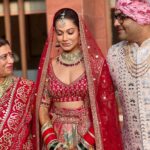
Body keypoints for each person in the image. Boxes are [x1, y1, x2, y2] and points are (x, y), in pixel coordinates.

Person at [35, 8, 123, 150]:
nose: (65, 38)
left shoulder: (95, 66)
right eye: (60, 33)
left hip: (88, 137)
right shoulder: (50, 67)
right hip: (56, 138)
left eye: (70, 32)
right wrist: (51, 141)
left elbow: (105, 109)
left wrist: (84, 144)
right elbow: (43, 106)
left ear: (80, 31)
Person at [107, 0, 150, 150]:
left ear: (141, 15)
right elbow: (103, 101)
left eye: (121, 17)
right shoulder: (114, 55)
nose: (116, 23)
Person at [0, 38, 35, 149]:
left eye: (11, 55)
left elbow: (36, 129)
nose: (11, 60)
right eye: (4, 57)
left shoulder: (26, 88)